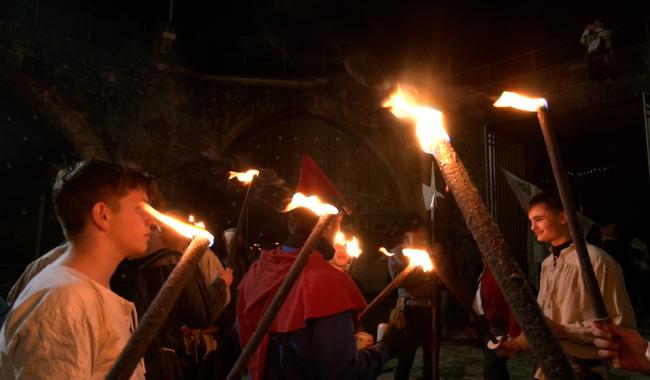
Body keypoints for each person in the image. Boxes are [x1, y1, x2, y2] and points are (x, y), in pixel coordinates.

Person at [236, 155, 407, 380]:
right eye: (340, 222)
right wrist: (387, 346)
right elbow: (343, 372)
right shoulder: (326, 281)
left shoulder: (257, 270)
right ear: (329, 224)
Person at [0, 160, 157, 379]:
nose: (153, 221)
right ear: (103, 215)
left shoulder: (82, 293)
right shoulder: (67, 302)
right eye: (142, 208)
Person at [495, 191, 636, 379]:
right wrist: (517, 344)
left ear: (564, 217)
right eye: (531, 221)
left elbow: (619, 324)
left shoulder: (596, 261)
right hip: (545, 367)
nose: (533, 227)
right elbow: (544, 319)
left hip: (583, 370)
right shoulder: (547, 264)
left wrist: (565, 331)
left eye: (538, 219)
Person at [111, 210, 233, 379]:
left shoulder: (132, 261)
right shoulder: (177, 263)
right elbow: (201, 315)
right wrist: (222, 284)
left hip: (132, 361)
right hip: (159, 364)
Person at [387, 212, 435, 380]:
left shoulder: (430, 252)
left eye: (422, 233)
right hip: (408, 308)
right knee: (407, 353)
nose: (420, 237)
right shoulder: (396, 254)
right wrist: (425, 273)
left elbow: (445, 275)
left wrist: (437, 262)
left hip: (429, 308)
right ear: (407, 234)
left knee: (431, 354)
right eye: (416, 233)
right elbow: (399, 280)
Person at [471, 261, 521, 380]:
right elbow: (479, 299)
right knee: (497, 370)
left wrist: (511, 336)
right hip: (489, 326)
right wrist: (473, 323)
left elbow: (514, 303)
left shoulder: (501, 271)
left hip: (501, 329)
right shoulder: (485, 271)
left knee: (492, 370)